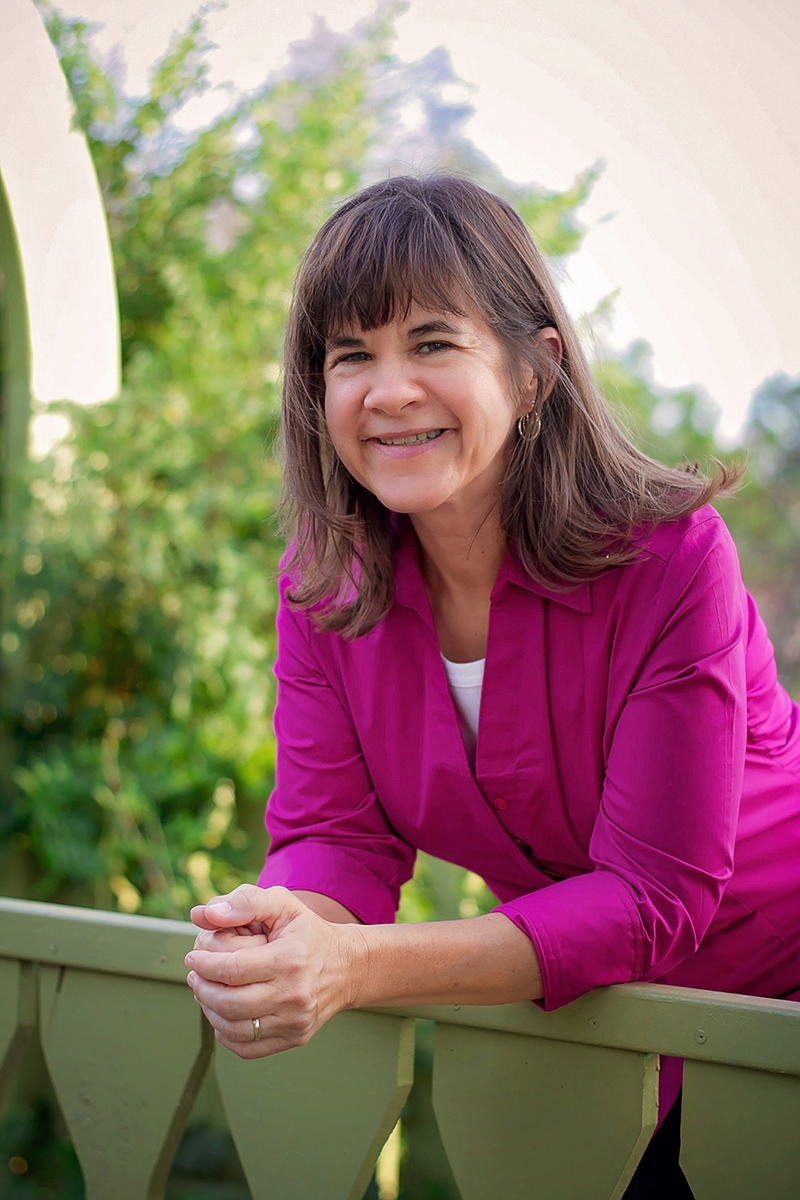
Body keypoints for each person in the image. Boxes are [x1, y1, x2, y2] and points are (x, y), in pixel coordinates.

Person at [184, 175, 800, 1195]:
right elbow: (337, 839)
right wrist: (284, 929)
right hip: (604, 1031)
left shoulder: (669, 557)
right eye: (350, 356)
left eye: (431, 343)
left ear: (531, 371)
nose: (386, 391)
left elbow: (651, 897)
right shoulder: (323, 586)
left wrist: (354, 969)